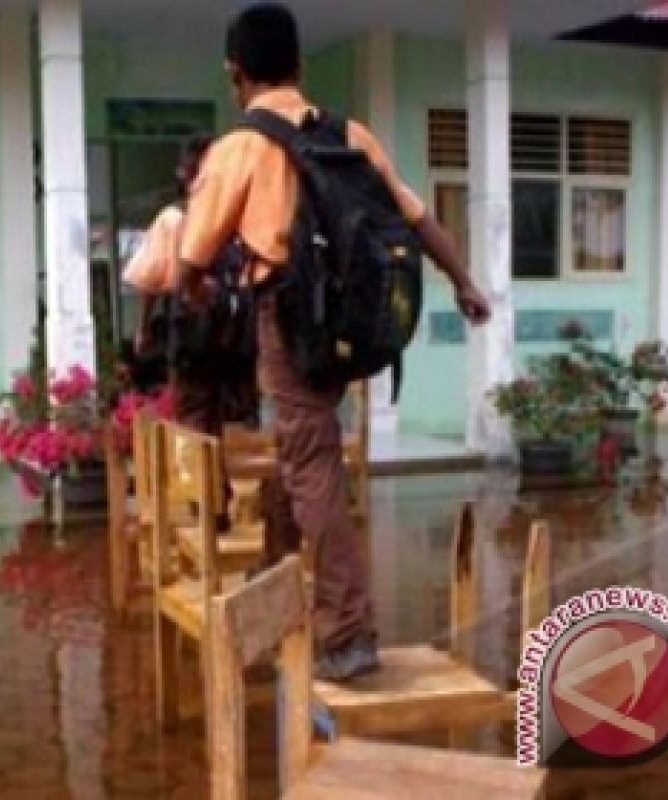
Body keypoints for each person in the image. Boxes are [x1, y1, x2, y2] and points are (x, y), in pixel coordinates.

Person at [180, 3, 492, 681]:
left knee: (310, 459)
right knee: (304, 449)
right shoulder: (350, 134)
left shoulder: (239, 147)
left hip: (287, 321)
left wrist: (193, 290)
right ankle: (278, 580)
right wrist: (464, 281)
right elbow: (414, 216)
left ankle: (347, 632)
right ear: (297, 64)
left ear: (236, 73)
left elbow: (192, 255)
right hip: (353, 322)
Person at [122, 137, 259, 435]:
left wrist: (143, 328)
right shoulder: (236, 219)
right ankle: (220, 480)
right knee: (228, 416)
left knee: (193, 414)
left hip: (193, 334)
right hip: (234, 336)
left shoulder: (174, 219)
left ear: (183, 173)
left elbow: (150, 279)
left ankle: (200, 480)